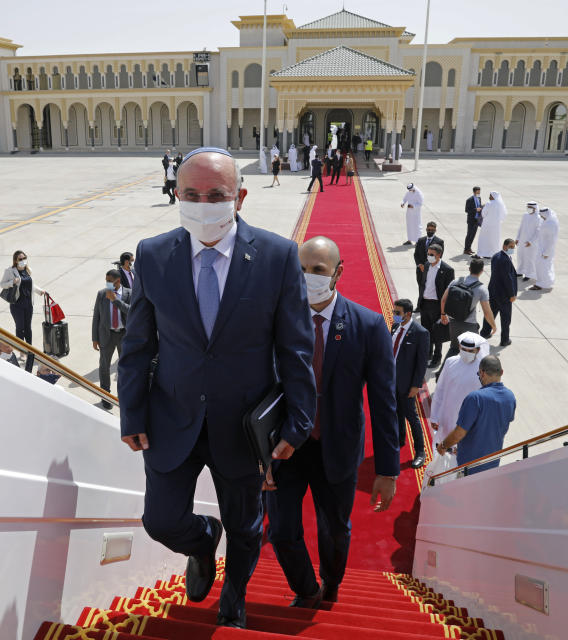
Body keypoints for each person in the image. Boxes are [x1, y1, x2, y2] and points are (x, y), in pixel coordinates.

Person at [117, 147, 316, 629]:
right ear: (177, 195)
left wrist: (298, 421)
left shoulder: (277, 256)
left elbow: (296, 347)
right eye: (191, 194)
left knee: (246, 528)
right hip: (172, 415)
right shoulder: (153, 254)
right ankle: (203, 539)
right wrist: (133, 414)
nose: (203, 204)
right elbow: (138, 342)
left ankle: (236, 595)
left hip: (243, 424)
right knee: (160, 521)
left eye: (216, 195)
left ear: (240, 197)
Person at [267, 236, 398, 608]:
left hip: (336, 447)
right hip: (286, 445)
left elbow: (384, 402)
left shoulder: (368, 326)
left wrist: (387, 471)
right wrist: (259, 455)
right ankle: (306, 589)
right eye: (302, 270)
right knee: (280, 530)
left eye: (318, 271)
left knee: (335, 530)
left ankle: (332, 582)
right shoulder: (277, 319)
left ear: (338, 273)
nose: (308, 277)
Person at [436, 355, 516, 476]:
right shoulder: (510, 397)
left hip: (469, 464)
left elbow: (459, 434)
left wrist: (443, 445)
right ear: (501, 372)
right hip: (492, 461)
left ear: (482, 373)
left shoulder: (475, 398)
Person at [430, 332, 489, 447]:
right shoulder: (450, 362)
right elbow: (440, 390)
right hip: (447, 414)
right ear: (459, 347)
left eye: (470, 351)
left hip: (468, 420)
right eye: (464, 349)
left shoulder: (483, 370)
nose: (466, 353)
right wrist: (434, 416)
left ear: (477, 350)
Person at [391, 299, 428, 469]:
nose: (394, 315)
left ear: (408, 314)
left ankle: (420, 452)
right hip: (392, 382)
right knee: (396, 412)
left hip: (407, 385)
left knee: (411, 417)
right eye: (394, 312)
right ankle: (399, 439)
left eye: (397, 313)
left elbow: (421, 363)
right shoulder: (395, 327)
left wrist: (415, 386)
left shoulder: (420, 333)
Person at [440, 258, 498, 360]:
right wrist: (493, 326)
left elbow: (443, 300)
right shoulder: (481, 289)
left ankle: (442, 373)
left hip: (453, 322)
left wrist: (443, 314)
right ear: (482, 271)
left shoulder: (456, 281)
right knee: (473, 353)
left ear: (469, 268)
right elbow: (487, 312)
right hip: (470, 325)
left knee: (454, 348)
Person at [93, 269, 132, 409]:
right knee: (104, 367)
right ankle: (106, 396)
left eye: (110, 281)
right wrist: (94, 338)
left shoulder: (129, 293)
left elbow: (132, 311)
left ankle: (123, 395)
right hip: (106, 336)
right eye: (106, 281)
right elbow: (96, 317)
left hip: (124, 335)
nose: (107, 284)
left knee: (124, 367)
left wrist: (115, 301)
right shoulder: (102, 294)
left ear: (118, 281)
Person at [418, 243, 455, 367]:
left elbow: (449, 293)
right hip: (425, 303)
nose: (429, 256)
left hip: (437, 305)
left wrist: (444, 312)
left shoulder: (447, 270)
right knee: (425, 331)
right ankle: (427, 354)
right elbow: (424, 283)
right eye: (428, 254)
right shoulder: (427, 265)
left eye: (431, 254)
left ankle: (437, 357)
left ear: (439, 255)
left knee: (437, 333)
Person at [0, 250, 45, 345]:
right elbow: (2, 284)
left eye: (24, 258)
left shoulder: (28, 270)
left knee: (28, 328)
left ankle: (30, 348)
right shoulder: (10, 271)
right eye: (20, 259)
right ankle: (22, 350)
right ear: (15, 261)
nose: (23, 260)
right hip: (17, 305)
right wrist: (12, 282)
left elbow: (30, 284)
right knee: (20, 327)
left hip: (28, 304)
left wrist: (40, 291)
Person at [481, 239, 517, 346]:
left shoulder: (496, 256)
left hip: (493, 291)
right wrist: (512, 294)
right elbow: (508, 279)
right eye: (510, 247)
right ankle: (504, 339)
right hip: (504, 295)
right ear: (504, 246)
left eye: (513, 247)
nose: (512, 249)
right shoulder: (505, 260)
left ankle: (485, 332)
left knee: (490, 313)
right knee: (505, 318)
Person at [530, 207, 559, 291]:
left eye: (541, 215)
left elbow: (551, 241)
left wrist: (547, 253)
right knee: (542, 266)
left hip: (546, 251)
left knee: (543, 267)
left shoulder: (551, 224)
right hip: (541, 249)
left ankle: (541, 284)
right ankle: (544, 282)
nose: (540, 216)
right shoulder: (546, 222)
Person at [414, 222, 443, 300]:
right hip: (420, 269)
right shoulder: (420, 240)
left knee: (429, 287)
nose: (430, 231)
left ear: (435, 230)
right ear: (426, 229)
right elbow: (416, 254)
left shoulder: (439, 242)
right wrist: (420, 265)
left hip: (431, 269)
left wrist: (428, 267)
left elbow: (439, 257)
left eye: (432, 230)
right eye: (429, 229)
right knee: (421, 287)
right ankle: (419, 305)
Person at [515, 201, 541, 282]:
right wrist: (518, 238)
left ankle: (529, 274)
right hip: (522, 240)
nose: (529, 209)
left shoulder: (538, 218)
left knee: (529, 258)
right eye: (528, 207)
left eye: (530, 207)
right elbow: (521, 227)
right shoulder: (525, 215)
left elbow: (538, 232)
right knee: (520, 256)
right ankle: (520, 271)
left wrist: (531, 241)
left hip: (531, 243)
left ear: (535, 208)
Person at [476, 191, 507, 259]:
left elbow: (483, 213)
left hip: (487, 225)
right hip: (496, 226)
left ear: (493, 196)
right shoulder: (501, 204)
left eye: (490, 195)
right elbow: (504, 215)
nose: (489, 197)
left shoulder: (489, 203)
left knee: (484, 239)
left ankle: (482, 253)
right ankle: (491, 254)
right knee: (494, 239)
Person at [463, 187, 483, 255]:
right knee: (469, 234)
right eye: (478, 192)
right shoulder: (469, 200)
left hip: (477, 220)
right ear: (474, 192)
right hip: (471, 220)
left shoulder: (479, 198)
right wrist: (475, 209)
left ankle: (469, 248)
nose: (479, 193)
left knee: (473, 235)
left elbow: (479, 206)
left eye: (479, 192)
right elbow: (467, 210)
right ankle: (466, 249)